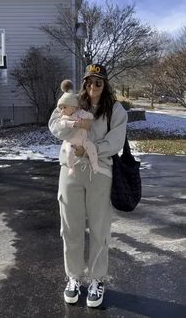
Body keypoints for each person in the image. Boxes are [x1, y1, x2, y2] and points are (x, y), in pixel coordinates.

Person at [48, 63, 127, 308]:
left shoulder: (114, 109)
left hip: (100, 172)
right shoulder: (72, 102)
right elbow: (54, 125)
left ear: (105, 85)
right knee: (70, 228)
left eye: (98, 82)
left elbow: (116, 140)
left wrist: (92, 149)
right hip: (70, 171)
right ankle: (73, 277)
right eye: (89, 82)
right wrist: (69, 124)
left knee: (99, 229)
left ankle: (96, 279)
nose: (93, 87)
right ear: (84, 83)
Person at [57, 79, 111, 177]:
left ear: (73, 107)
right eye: (61, 108)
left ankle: (95, 165)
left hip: (84, 140)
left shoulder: (79, 112)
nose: (62, 110)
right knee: (69, 153)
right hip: (72, 143)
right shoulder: (64, 117)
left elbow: (89, 116)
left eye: (65, 107)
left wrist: (88, 120)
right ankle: (71, 168)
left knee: (92, 148)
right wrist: (72, 124)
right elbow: (61, 124)